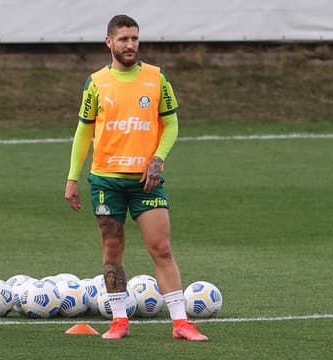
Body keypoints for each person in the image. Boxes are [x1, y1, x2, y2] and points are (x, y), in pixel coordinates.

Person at [64, 15, 208, 341]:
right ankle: (118, 321)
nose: (130, 45)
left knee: (161, 247)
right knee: (112, 249)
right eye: (124, 39)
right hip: (105, 181)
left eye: (134, 39)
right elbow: (83, 131)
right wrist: (73, 177)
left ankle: (181, 323)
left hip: (147, 182)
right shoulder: (96, 82)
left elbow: (170, 124)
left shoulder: (156, 78)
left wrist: (158, 160)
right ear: (109, 43)